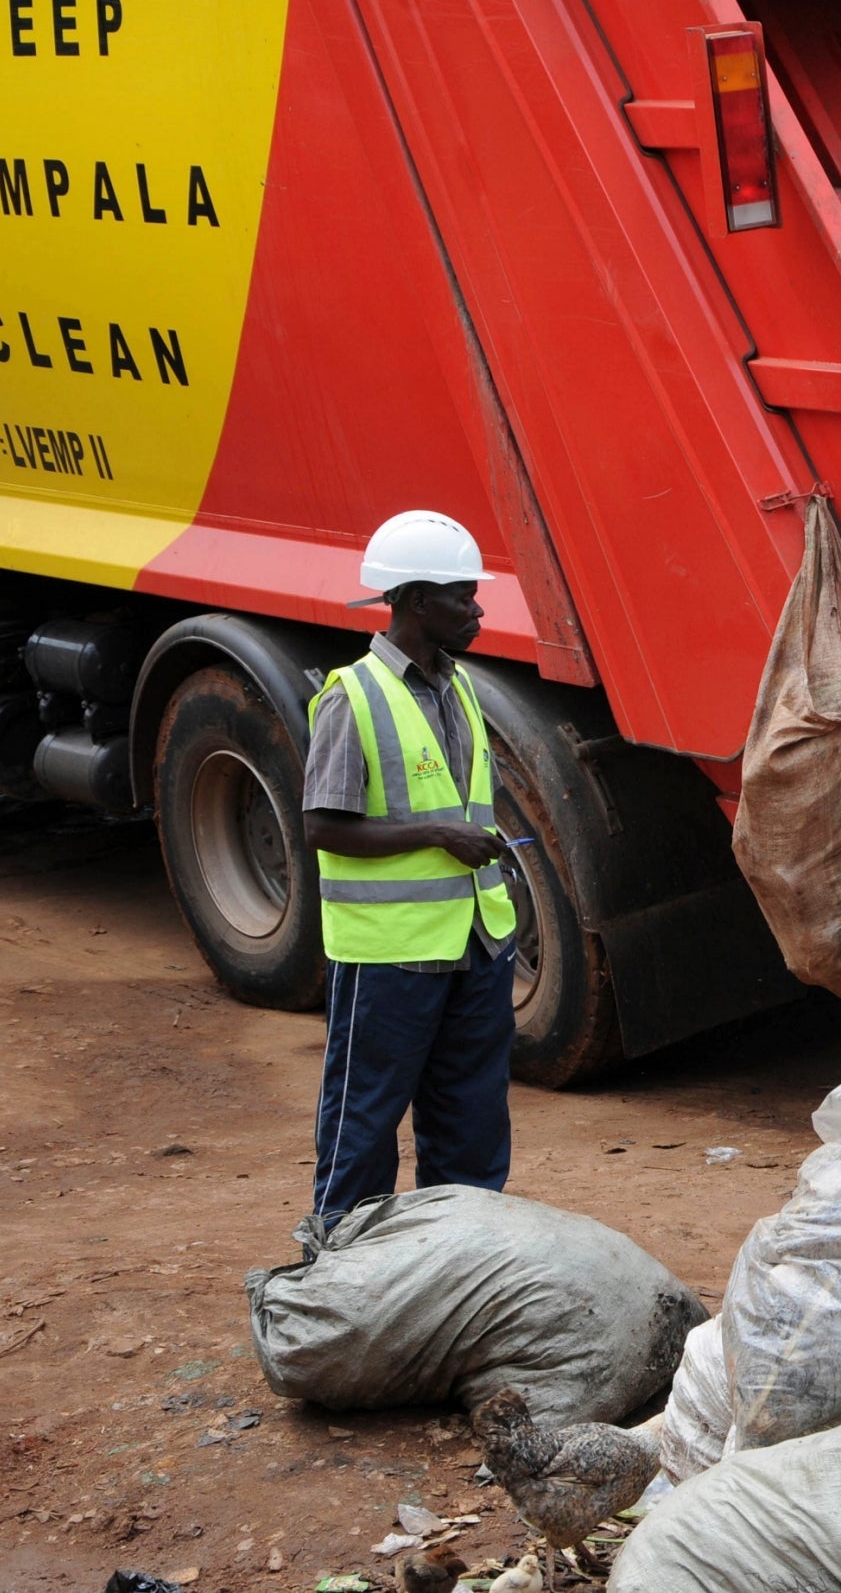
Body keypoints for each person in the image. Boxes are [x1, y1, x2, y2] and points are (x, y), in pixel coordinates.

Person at [300, 511, 519, 1228]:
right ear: (417, 601)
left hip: (476, 943)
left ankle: (459, 1264)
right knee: (363, 1128)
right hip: (389, 957)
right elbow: (322, 827)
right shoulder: (351, 696)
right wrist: (435, 834)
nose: (479, 609)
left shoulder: (457, 686)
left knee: (471, 1126)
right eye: (464, 596)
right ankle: (341, 1273)